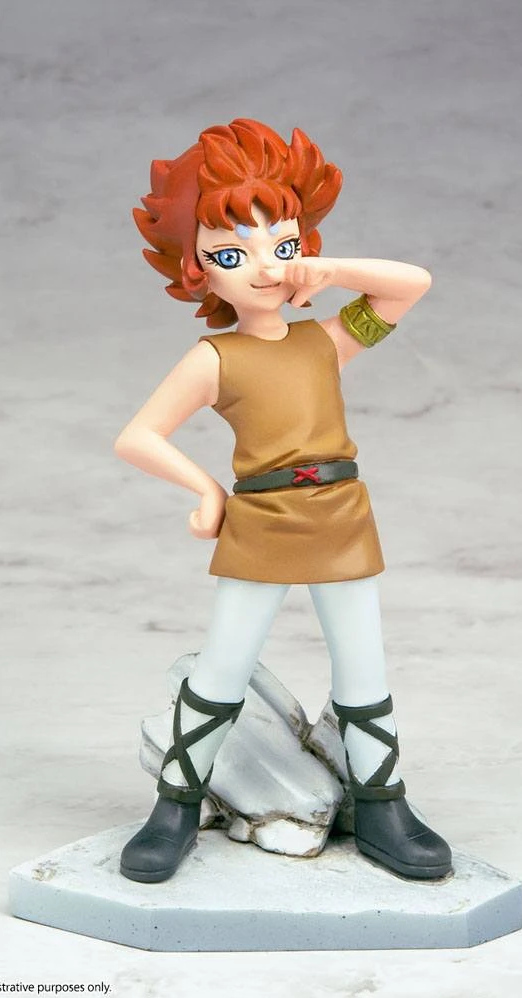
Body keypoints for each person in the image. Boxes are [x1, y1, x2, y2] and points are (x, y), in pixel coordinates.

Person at [115, 118, 451, 883]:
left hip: (339, 514)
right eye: (233, 254)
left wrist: (325, 270)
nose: (265, 269)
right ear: (197, 269)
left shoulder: (326, 340)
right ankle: (175, 803)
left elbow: (411, 283)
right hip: (262, 518)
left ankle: (383, 803)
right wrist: (207, 488)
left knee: (363, 670)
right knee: (222, 670)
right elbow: (138, 435)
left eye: (283, 244)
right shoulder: (215, 357)